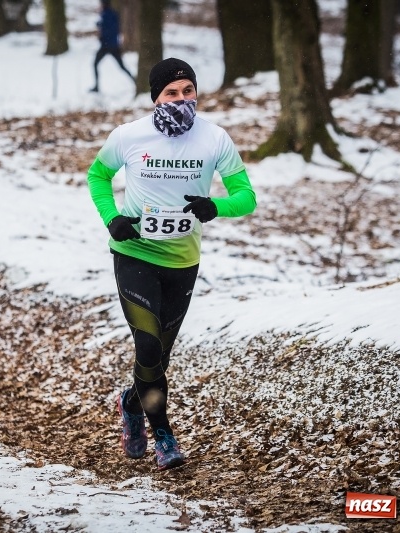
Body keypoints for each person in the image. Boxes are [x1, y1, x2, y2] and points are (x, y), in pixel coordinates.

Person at [86, 58, 257, 470]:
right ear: (156, 97)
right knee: (146, 345)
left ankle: (130, 402)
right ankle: (163, 434)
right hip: (135, 254)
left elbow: (246, 196)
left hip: (183, 261)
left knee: (156, 361)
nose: (182, 99)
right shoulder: (129, 136)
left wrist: (215, 205)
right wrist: (113, 219)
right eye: (171, 93)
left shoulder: (214, 139)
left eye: (188, 91)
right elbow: (97, 176)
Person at [89, 0, 135, 93]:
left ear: (104, 5)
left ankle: (96, 86)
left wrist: (101, 32)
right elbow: (115, 27)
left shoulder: (105, 15)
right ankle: (135, 81)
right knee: (122, 66)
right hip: (114, 45)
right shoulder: (114, 14)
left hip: (106, 45)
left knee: (95, 64)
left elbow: (107, 29)